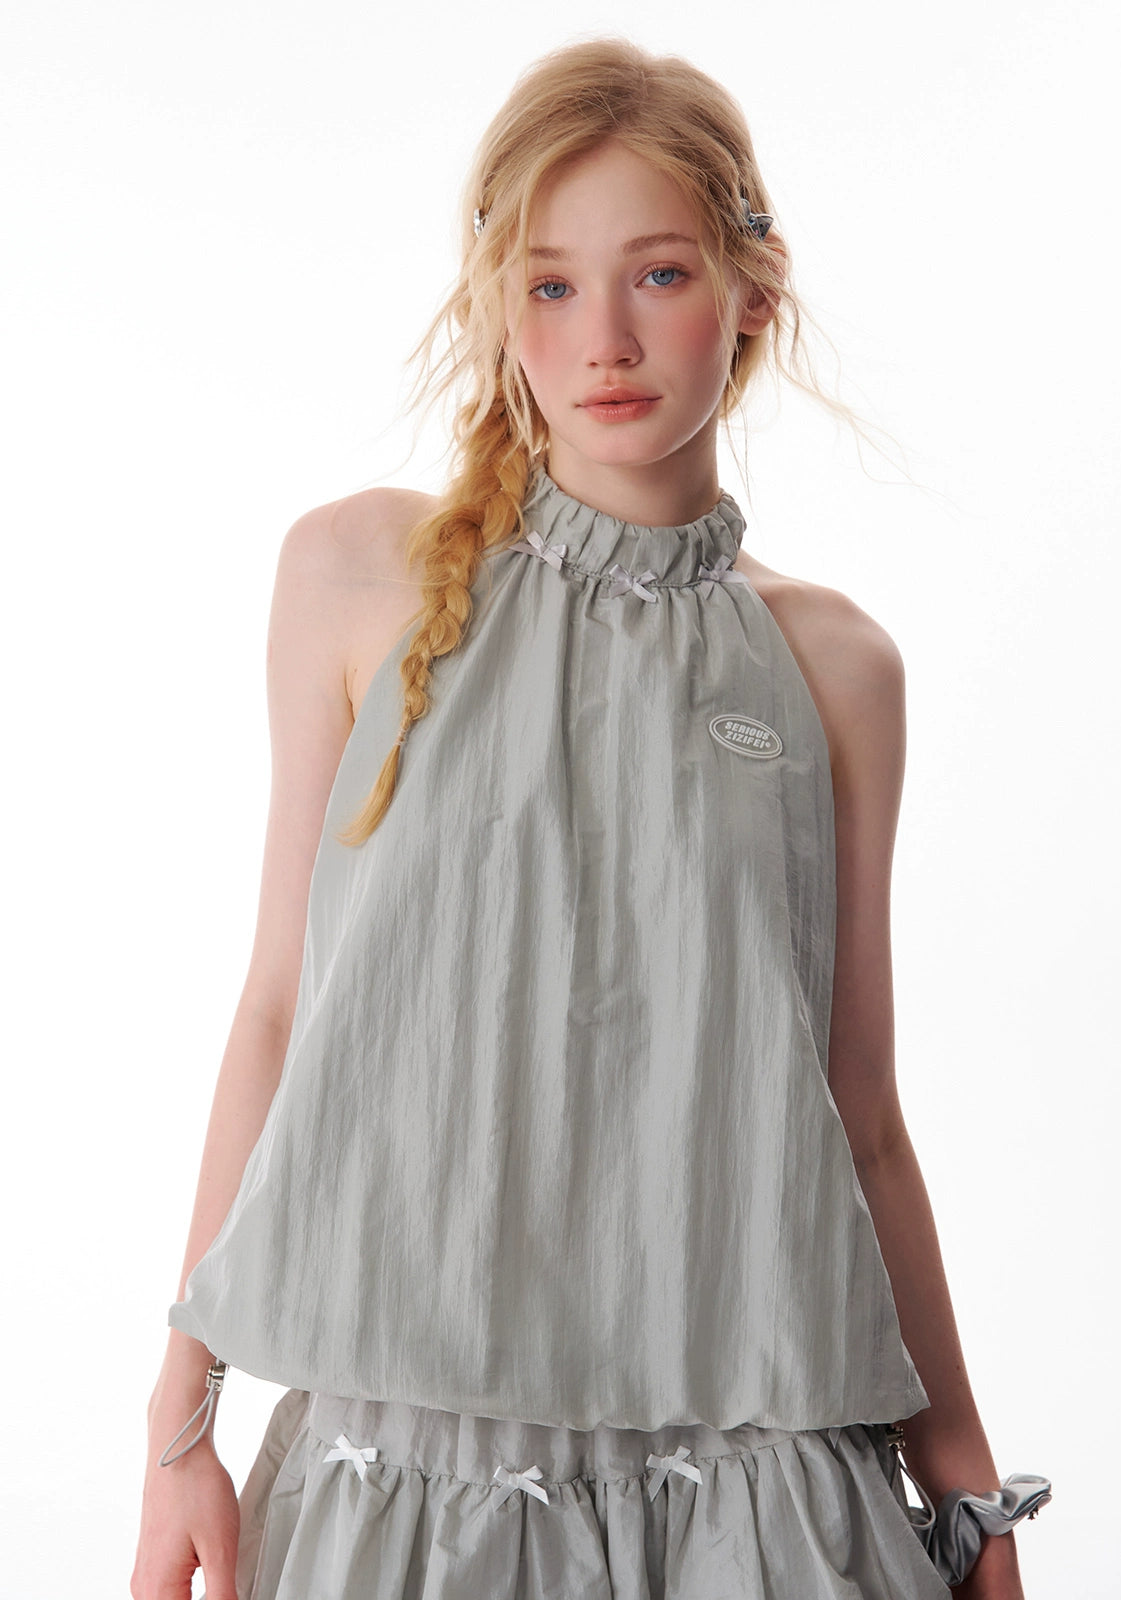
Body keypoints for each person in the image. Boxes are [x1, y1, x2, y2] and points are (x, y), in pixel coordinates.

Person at [131, 36, 1049, 1600]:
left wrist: (967, 1495)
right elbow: (281, 1010)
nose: (604, 340)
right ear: (500, 307)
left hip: (763, 1503)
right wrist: (179, 1428)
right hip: (406, 1493)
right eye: (550, 285)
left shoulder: (835, 669)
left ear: (753, 292)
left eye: (659, 275)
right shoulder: (358, 579)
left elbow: (862, 1112)